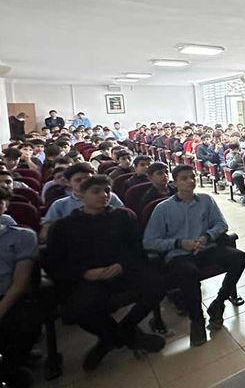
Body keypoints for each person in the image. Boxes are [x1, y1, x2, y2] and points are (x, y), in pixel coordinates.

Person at [46, 175, 165, 371]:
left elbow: (136, 248)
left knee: (157, 285)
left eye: (107, 191)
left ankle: (122, 331)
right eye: (96, 191)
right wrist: (85, 273)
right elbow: (55, 264)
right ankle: (117, 336)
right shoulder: (63, 227)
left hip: (123, 271)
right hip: (89, 278)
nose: (104, 195)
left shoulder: (123, 216)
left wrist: (122, 265)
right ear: (80, 194)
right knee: (75, 310)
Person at [143, 165, 245, 347]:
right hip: (179, 254)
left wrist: (206, 236)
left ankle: (219, 302)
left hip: (206, 247)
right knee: (188, 273)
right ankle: (196, 318)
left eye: (192, 177)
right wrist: (179, 243)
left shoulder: (206, 200)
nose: (190, 181)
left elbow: (221, 224)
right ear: (175, 183)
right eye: (184, 178)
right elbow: (149, 241)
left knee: (239, 257)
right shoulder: (163, 208)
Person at [0, 188, 41, 387]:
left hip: (9, 296)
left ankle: (11, 367)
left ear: (5, 206)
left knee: (25, 323)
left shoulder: (23, 236)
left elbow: (19, 284)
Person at [41, 163, 125, 241]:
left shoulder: (109, 197)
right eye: (78, 180)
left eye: (88, 179)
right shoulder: (60, 204)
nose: (84, 182)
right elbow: (45, 234)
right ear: (68, 183)